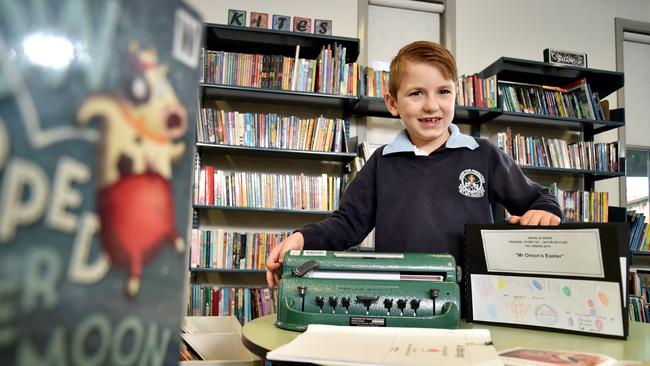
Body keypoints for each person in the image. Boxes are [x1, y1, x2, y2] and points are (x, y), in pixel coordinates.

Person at [266, 40, 562, 287]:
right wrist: (302, 237)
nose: (432, 105)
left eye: (443, 91)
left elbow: (539, 198)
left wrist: (543, 212)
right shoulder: (381, 163)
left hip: (473, 299)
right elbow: (347, 224)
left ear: (455, 95)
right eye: (416, 93)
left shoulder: (483, 154)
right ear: (393, 103)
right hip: (398, 299)